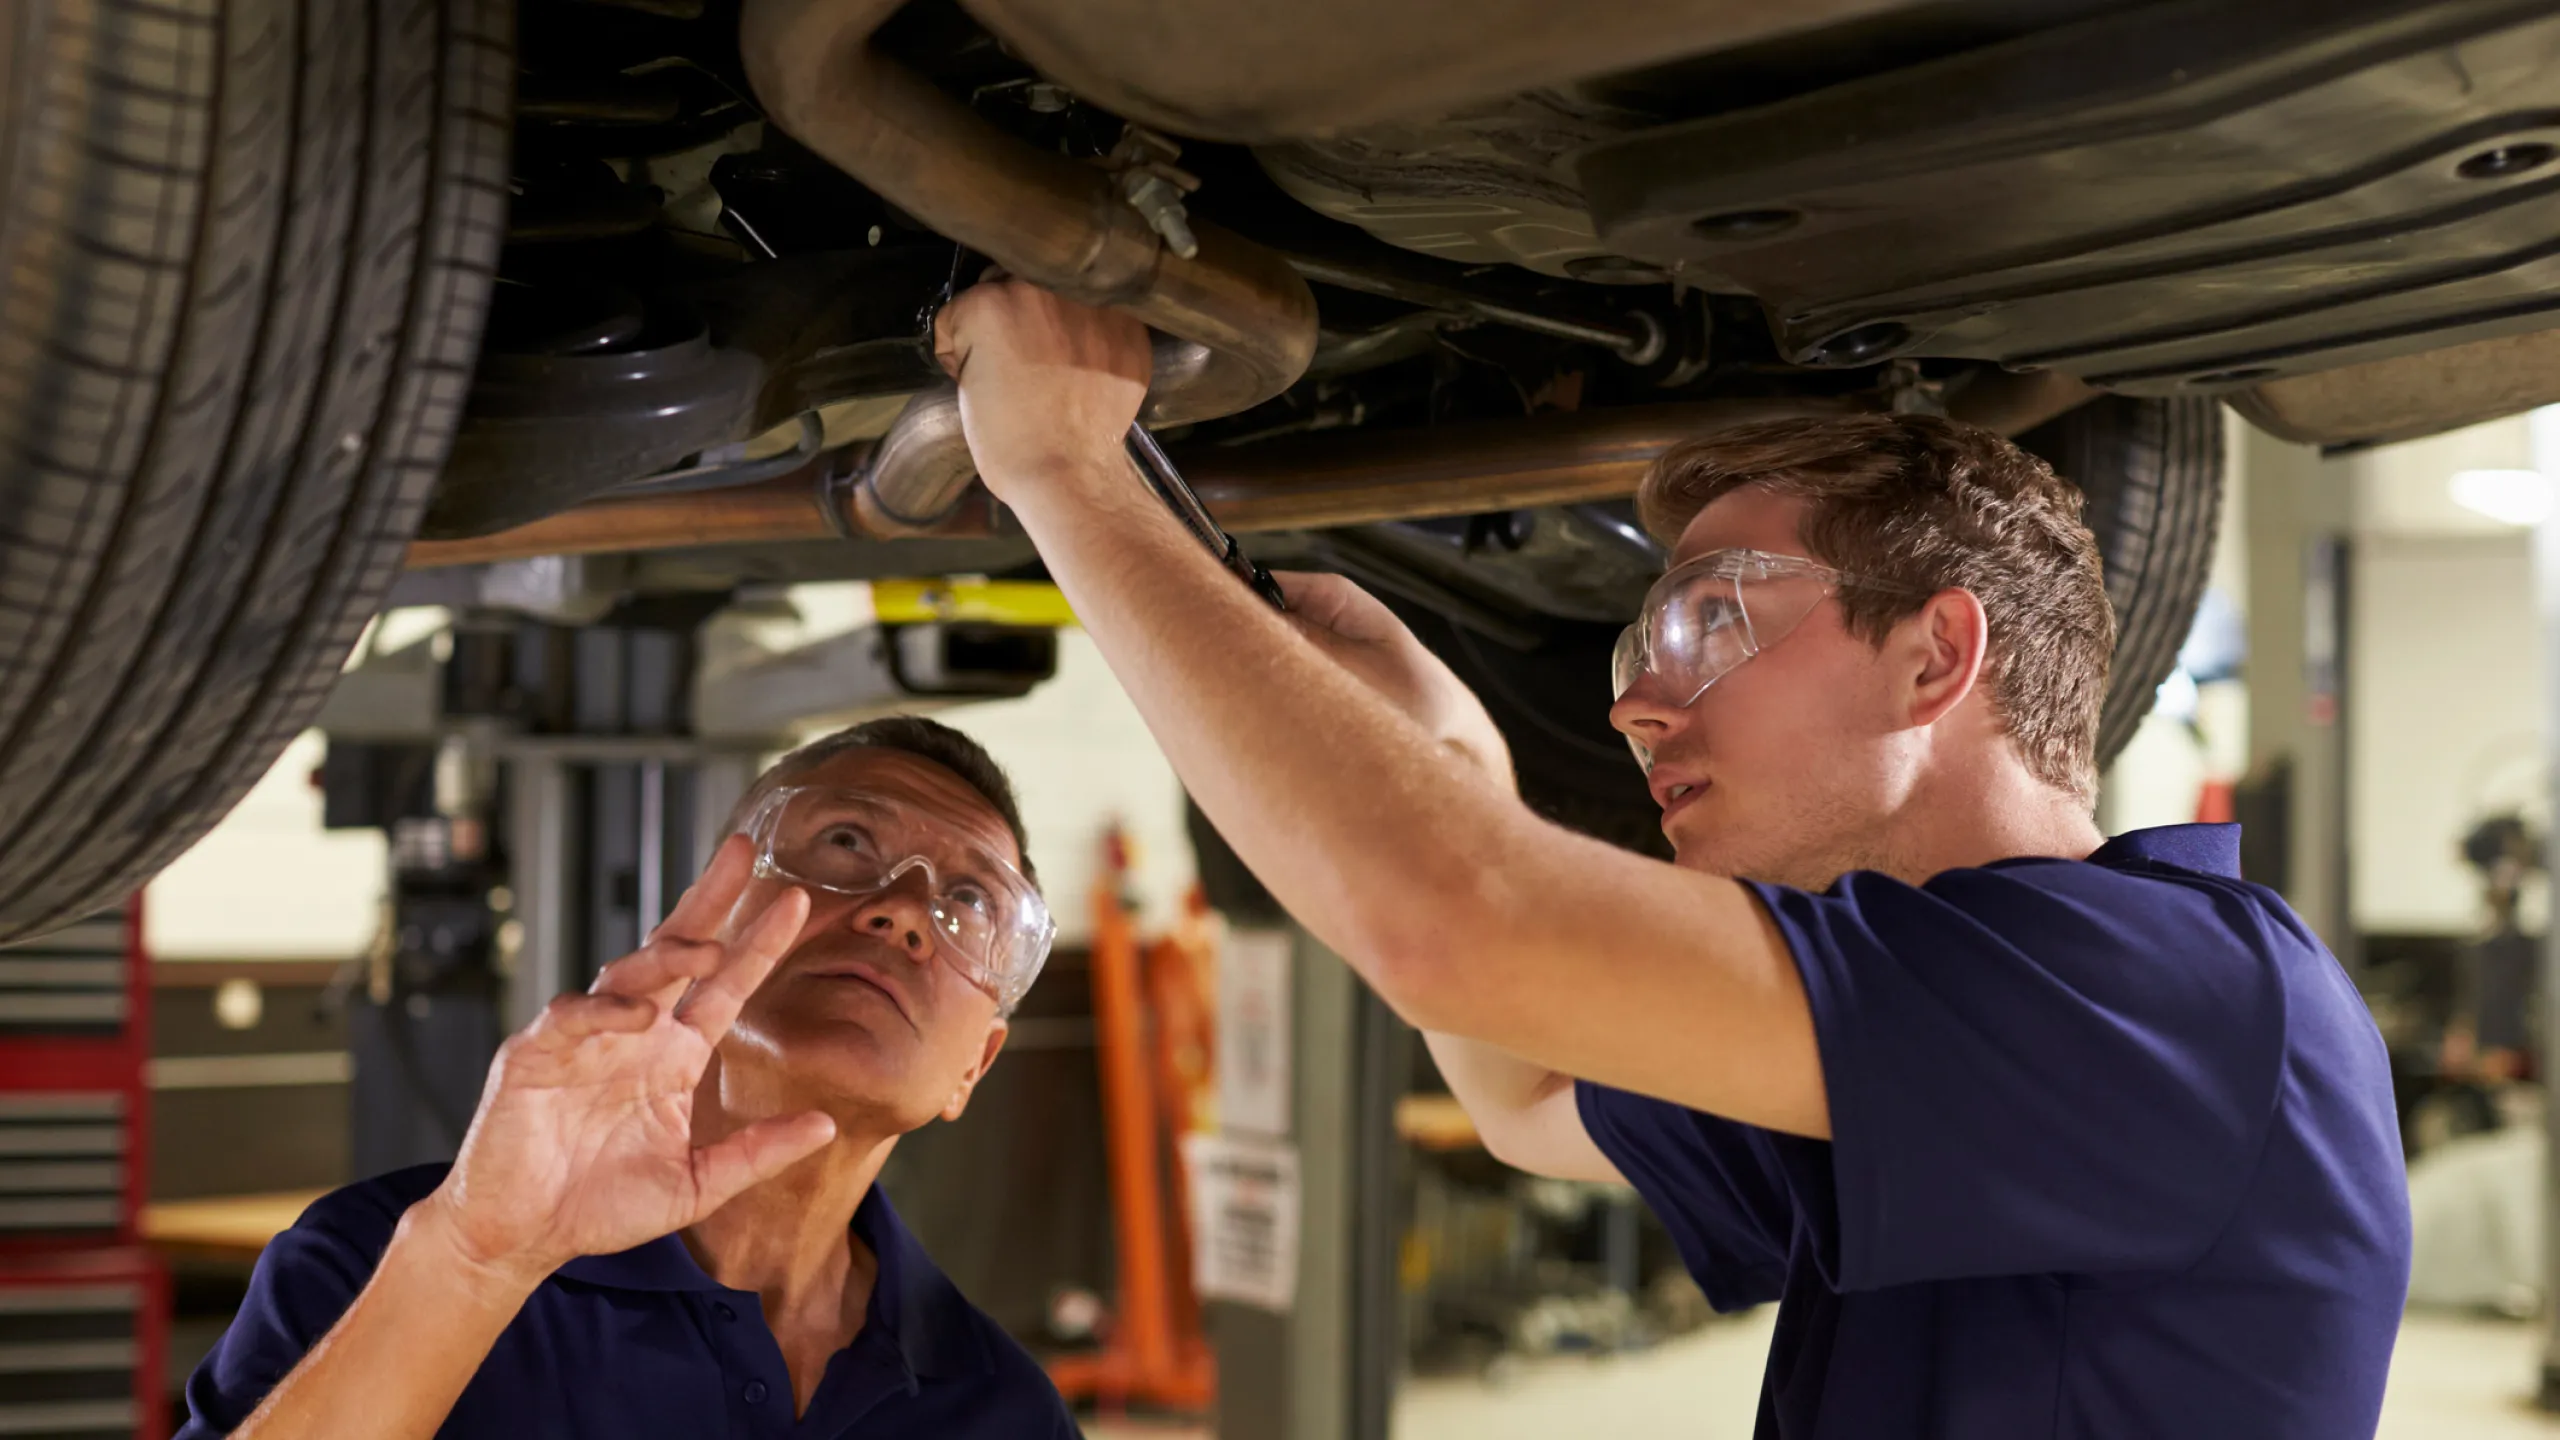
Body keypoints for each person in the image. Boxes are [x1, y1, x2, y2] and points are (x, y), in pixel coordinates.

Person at [933, 282, 2413, 1438]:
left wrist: (1068, 469)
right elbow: (1528, 1094)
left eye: (1709, 621)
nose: (1633, 700)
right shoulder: (1950, 1030)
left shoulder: (2175, 995)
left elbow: (1463, 932)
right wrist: (1446, 752)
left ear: (1932, 658)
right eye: (1644, 642)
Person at [180, 717, 1079, 1439]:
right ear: (707, 921)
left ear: (974, 1067)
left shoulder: (1001, 1409)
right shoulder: (380, 1266)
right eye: (847, 840)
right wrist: (474, 1261)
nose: (903, 910)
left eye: (970, 902)